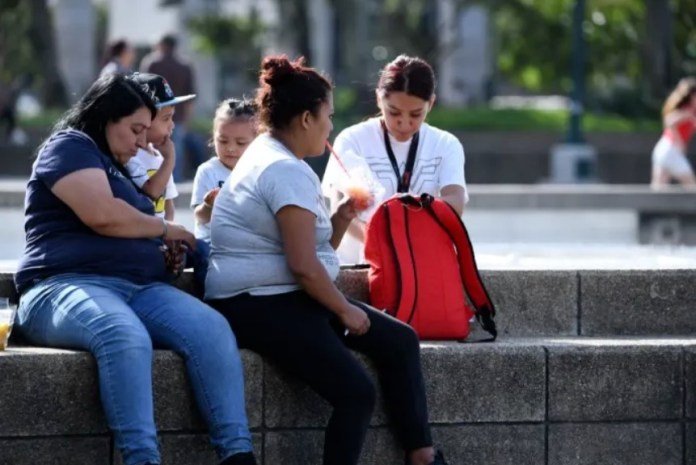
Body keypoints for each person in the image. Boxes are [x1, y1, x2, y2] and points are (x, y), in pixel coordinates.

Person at [205, 55, 449, 465]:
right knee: (356, 393)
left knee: (401, 340)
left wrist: (337, 221)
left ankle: (422, 454)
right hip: (256, 304)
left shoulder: (271, 153)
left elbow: (309, 252)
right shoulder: (283, 169)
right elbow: (302, 265)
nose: (331, 127)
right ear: (305, 118)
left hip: (283, 295)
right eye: (327, 116)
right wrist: (343, 311)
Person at [13, 73, 257, 465]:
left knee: (211, 329)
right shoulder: (71, 146)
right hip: (61, 286)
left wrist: (162, 249)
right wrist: (165, 228)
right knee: (123, 334)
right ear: (106, 117)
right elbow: (103, 216)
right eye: (136, 130)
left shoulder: (121, 168)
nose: (144, 142)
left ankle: (238, 454)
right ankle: (142, 459)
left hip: (139, 289)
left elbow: (131, 222)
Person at [321, 54, 469, 264]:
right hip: (358, 265)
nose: (404, 123)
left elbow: (455, 202)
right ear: (379, 99)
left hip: (419, 267)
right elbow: (339, 209)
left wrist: (410, 237)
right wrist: (385, 246)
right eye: (394, 112)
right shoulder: (352, 140)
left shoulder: (445, 144)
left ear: (431, 103)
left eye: (416, 114)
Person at [192, 98, 258, 243]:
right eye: (223, 141)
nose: (230, 148)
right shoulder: (208, 171)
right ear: (213, 138)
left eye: (240, 143)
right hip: (211, 243)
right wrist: (208, 206)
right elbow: (200, 216)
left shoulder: (258, 172)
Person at [140, 34, 204, 180]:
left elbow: (142, 90)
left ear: (161, 45)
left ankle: (154, 179)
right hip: (178, 116)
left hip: (154, 116)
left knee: (152, 150)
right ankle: (174, 182)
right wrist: (187, 119)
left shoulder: (152, 63)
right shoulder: (185, 66)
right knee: (176, 152)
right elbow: (191, 97)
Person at [651, 77, 696, 188]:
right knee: (691, 186)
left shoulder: (690, 113)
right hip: (670, 150)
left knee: (658, 188)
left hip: (663, 149)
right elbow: (669, 121)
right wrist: (678, 141)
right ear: (692, 96)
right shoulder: (687, 111)